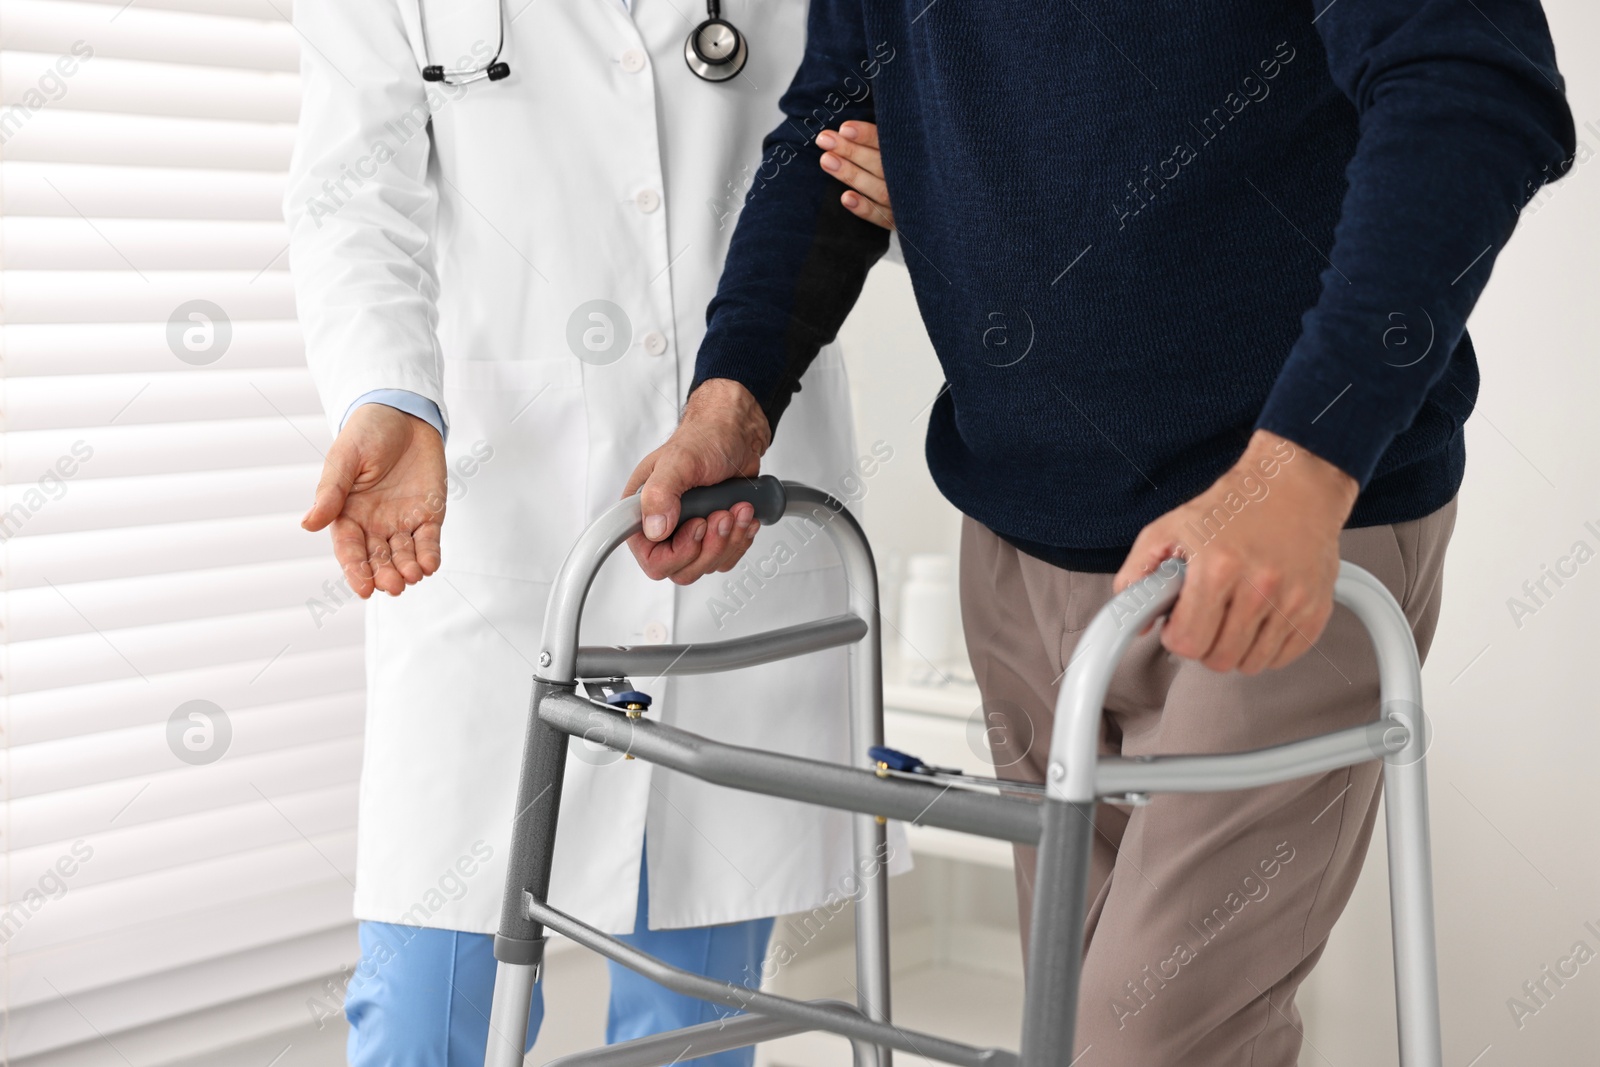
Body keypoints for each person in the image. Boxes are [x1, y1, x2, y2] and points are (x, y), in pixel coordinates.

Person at [623, 1, 1575, 1063]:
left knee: (1140, 1038)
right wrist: (732, 400)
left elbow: (1471, 91)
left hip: (1269, 539)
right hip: (1021, 538)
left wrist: (1299, 464)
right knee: (1066, 1025)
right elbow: (837, 130)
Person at [282, 1, 898, 1062]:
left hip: (736, 504)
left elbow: (845, 155)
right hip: (495, 504)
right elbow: (350, 195)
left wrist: (919, 191)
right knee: (423, 1010)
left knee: (694, 1017)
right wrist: (387, 392)